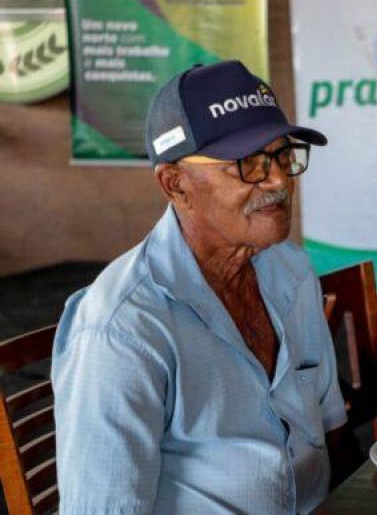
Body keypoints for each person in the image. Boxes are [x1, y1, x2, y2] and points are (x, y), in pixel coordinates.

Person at [52, 60, 359, 514]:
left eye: (281, 155)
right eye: (248, 163)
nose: (279, 180)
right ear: (175, 183)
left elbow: (332, 429)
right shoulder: (121, 331)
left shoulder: (291, 270)